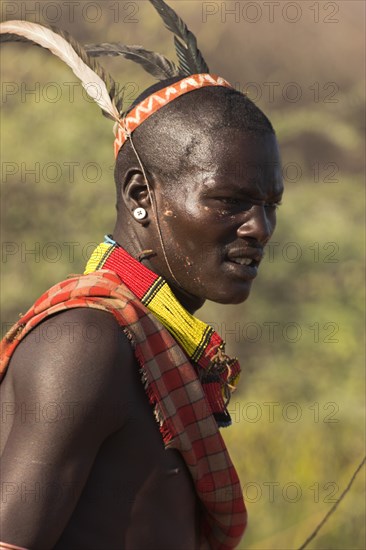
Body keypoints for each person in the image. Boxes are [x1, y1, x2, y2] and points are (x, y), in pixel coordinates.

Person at [0, 2, 283, 549]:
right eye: (230, 201)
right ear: (139, 195)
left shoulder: (146, 346)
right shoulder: (85, 343)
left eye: (271, 205)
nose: (260, 228)